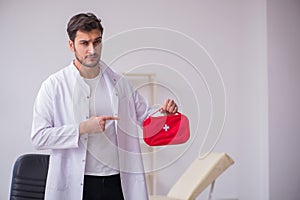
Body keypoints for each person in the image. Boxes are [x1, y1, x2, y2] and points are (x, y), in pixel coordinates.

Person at [31, 12, 178, 200]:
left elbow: (145, 117)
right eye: (84, 43)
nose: (92, 50)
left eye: (97, 42)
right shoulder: (54, 86)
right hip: (79, 183)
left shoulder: (119, 82)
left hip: (116, 181)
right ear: (71, 45)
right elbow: (38, 137)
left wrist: (163, 114)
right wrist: (83, 128)